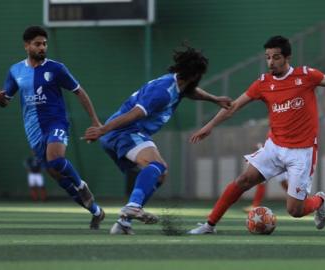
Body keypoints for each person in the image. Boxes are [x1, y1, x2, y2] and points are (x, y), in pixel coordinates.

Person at [188, 35, 325, 234]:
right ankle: (209, 225)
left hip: (302, 152)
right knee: (243, 180)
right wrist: (209, 125)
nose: (271, 62)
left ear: (287, 57)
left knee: (295, 210)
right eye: (268, 57)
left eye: (276, 57)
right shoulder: (262, 83)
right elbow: (233, 106)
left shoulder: (306, 76)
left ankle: (319, 200)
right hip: (274, 147)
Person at [83, 45, 233, 235]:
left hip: (125, 132)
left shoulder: (178, 84)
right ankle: (133, 206)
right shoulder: (162, 92)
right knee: (157, 165)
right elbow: (135, 113)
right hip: (124, 131)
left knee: (159, 174)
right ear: (195, 75)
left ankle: (124, 223)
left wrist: (214, 99)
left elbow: (190, 91)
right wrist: (102, 129)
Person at [0, 26, 105, 229]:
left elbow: (79, 92)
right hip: (33, 130)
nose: (42, 47)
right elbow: (5, 99)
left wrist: (95, 121)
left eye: (44, 43)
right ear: (26, 46)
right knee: (56, 174)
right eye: (37, 44)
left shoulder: (56, 69)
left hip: (56, 122)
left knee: (56, 159)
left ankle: (82, 186)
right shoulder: (15, 71)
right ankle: (96, 212)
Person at [243, 143, 288, 213]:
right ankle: (255, 205)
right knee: (261, 182)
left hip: (279, 161)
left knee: (285, 184)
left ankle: (301, 202)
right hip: (271, 161)